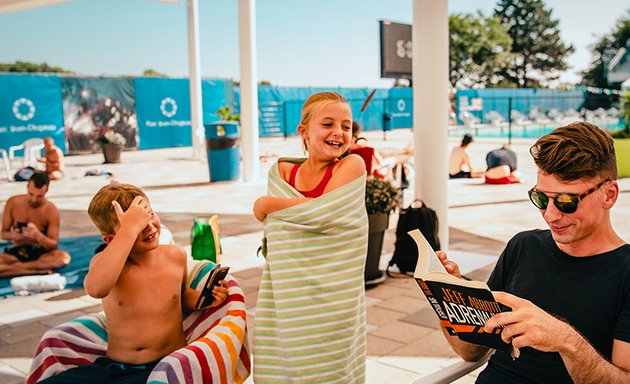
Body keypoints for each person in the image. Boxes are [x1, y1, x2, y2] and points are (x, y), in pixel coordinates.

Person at [438, 122, 630, 383]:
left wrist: (564, 340)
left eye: (566, 202)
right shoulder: (523, 246)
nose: (550, 215)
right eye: (541, 198)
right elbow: (471, 351)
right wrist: (447, 294)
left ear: (609, 194)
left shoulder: (625, 273)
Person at [39, 182, 229, 383]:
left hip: (165, 368)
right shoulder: (108, 266)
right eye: (135, 224)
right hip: (115, 368)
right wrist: (129, 230)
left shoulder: (175, 256)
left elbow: (179, 297)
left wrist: (206, 299)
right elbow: (96, 288)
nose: (148, 226)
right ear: (111, 240)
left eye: (149, 215)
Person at [252, 92, 368, 383]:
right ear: (303, 131)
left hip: (333, 299)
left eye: (346, 126)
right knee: (283, 364)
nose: (338, 133)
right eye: (327, 124)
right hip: (288, 295)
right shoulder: (281, 172)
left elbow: (323, 213)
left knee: (328, 369)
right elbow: (286, 230)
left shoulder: (352, 165)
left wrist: (266, 205)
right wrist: (279, 210)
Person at [0, 172, 70, 277]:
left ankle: (14, 269)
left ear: (46, 191)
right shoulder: (13, 202)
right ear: (27, 186)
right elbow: (3, 234)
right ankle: (34, 271)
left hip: (42, 253)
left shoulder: (51, 211)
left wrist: (38, 236)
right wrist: (13, 235)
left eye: (39, 196)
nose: (33, 200)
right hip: (18, 251)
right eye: (31, 194)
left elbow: (53, 245)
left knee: (63, 258)